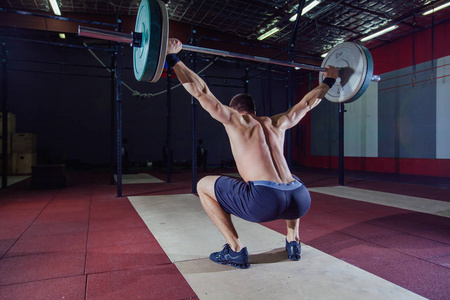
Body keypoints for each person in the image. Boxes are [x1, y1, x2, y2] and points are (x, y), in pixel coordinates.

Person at [166, 38, 339, 269]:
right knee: (290, 179)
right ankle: (293, 240)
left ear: (235, 110)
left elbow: (201, 92)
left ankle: (235, 250)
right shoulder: (277, 122)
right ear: (254, 110)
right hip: (300, 199)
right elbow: (307, 103)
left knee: (203, 186)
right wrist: (330, 79)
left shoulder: (235, 120)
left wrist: (173, 57)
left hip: (265, 202)